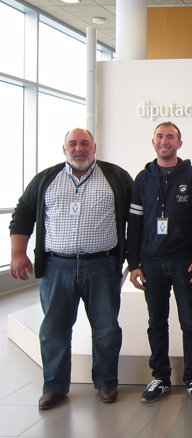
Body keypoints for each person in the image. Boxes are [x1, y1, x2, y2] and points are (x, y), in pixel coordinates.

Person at [9, 128, 132, 410]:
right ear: (64, 148)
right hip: (56, 267)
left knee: (106, 329)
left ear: (94, 147)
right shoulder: (46, 179)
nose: (79, 148)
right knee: (54, 329)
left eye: (84, 143)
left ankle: (106, 382)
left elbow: (134, 220)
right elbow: (23, 214)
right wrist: (18, 253)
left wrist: (135, 261)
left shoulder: (115, 177)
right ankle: (54, 387)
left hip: (102, 265)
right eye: (73, 144)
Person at [127, 122, 192, 404]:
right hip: (150, 262)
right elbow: (134, 224)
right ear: (153, 142)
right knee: (156, 322)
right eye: (160, 136)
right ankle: (160, 377)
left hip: (185, 261)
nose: (165, 141)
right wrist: (133, 263)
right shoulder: (142, 178)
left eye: (170, 137)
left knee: (190, 321)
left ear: (179, 143)